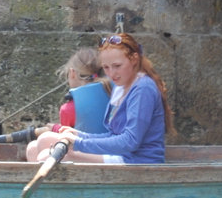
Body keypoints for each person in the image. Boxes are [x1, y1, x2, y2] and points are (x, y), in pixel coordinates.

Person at [25, 33, 171, 164]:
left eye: (117, 66)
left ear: (134, 59)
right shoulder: (120, 85)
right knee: (39, 143)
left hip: (136, 159)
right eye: (106, 67)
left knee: (45, 156)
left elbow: (130, 142)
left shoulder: (142, 88)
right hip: (121, 153)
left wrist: (79, 143)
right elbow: (113, 134)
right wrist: (79, 135)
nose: (111, 73)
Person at [45, 47, 111, 135]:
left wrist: (56, 129)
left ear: (72, 73)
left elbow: (68, 137)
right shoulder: (116, 93)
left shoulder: (67, 110)